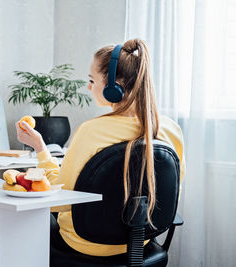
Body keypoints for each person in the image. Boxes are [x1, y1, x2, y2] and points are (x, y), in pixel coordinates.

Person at [15, 38, 186, 257]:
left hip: (84, 243)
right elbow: (172, 193)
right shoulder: (171, 129)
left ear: (115, 87)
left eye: (92, 80)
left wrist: (40, 148)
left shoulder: (91, 130)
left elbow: (60, 199)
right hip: (139, 242)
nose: (88, 87)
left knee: (29, 219)